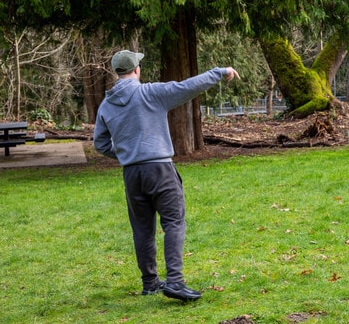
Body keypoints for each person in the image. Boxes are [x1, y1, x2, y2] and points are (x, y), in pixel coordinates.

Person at [94, 50, 240, 301]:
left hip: (131, 173)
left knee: (142, 229)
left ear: (116, 73)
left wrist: (126, 155)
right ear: (137, 70)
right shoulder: (150, 93)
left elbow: (100, 143)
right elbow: (187, 87)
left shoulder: (106, 104)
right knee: (173, 221)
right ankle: (174, 281)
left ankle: (150, 282)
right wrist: (219, 72)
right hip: (159, 169)